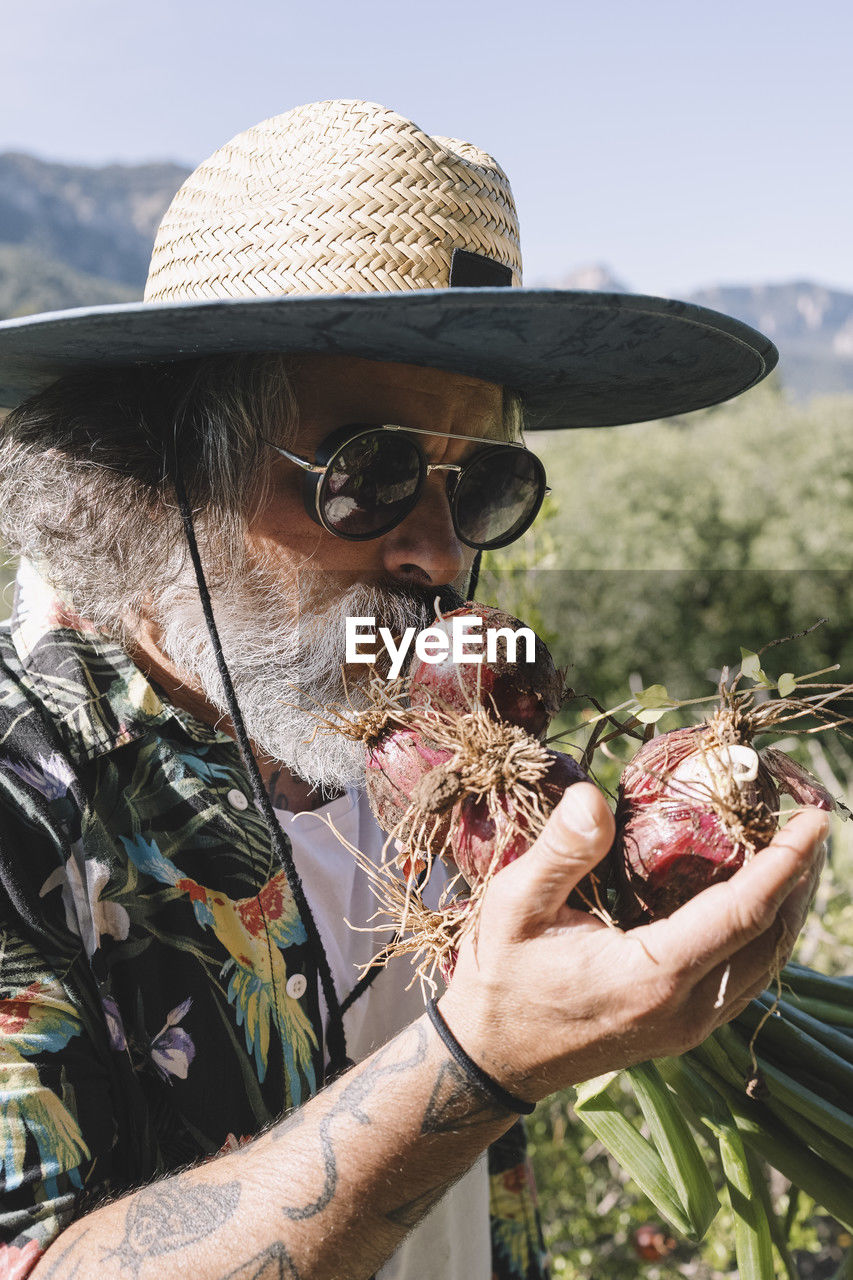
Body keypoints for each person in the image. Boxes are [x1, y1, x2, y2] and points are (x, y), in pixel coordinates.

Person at [0, 100, 826, 1280]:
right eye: (369, 473)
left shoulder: (456, 728)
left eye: (483, 483)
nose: (436, 555)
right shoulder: (26, 795)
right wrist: (477, 1061)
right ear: (160, 471)